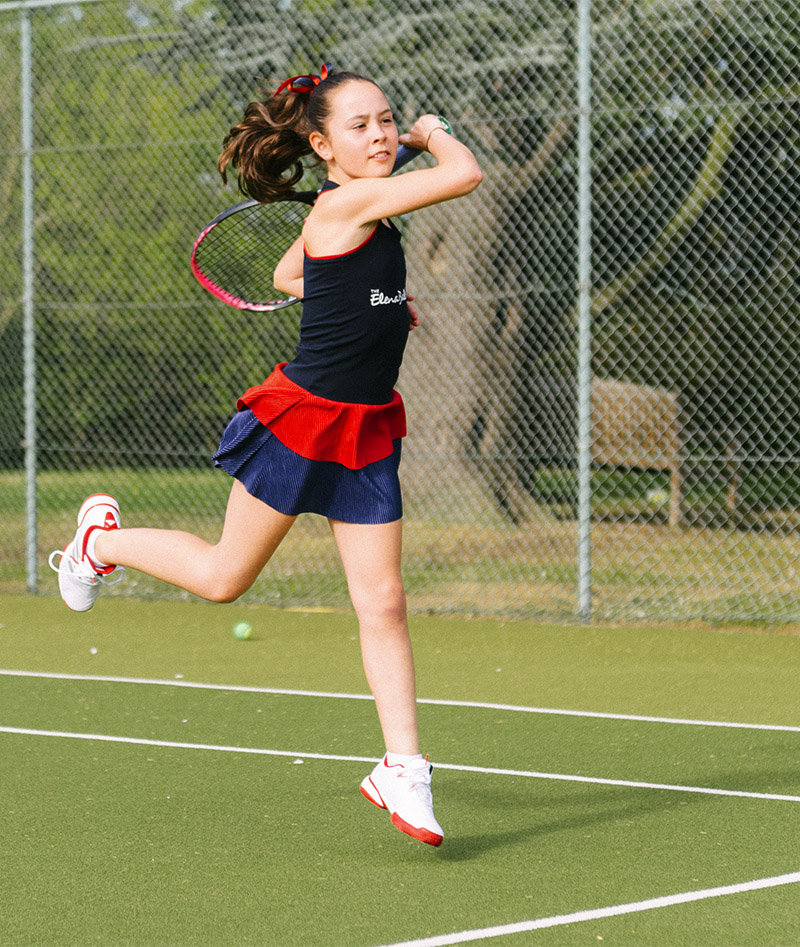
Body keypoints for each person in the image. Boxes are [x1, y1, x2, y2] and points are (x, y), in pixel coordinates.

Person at [48, 64, 482, 847]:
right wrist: (434, 133)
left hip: (367, 426)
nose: (383, 133)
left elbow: (291, 273)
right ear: (321, 145)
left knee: (384, 602)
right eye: (361, 125)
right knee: (224, 578)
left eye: (389, 120)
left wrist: (374, 307)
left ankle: (404, 769)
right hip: (302, 421)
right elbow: (466, 174)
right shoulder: (349, 202)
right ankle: (97, 542)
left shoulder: (354, 210)